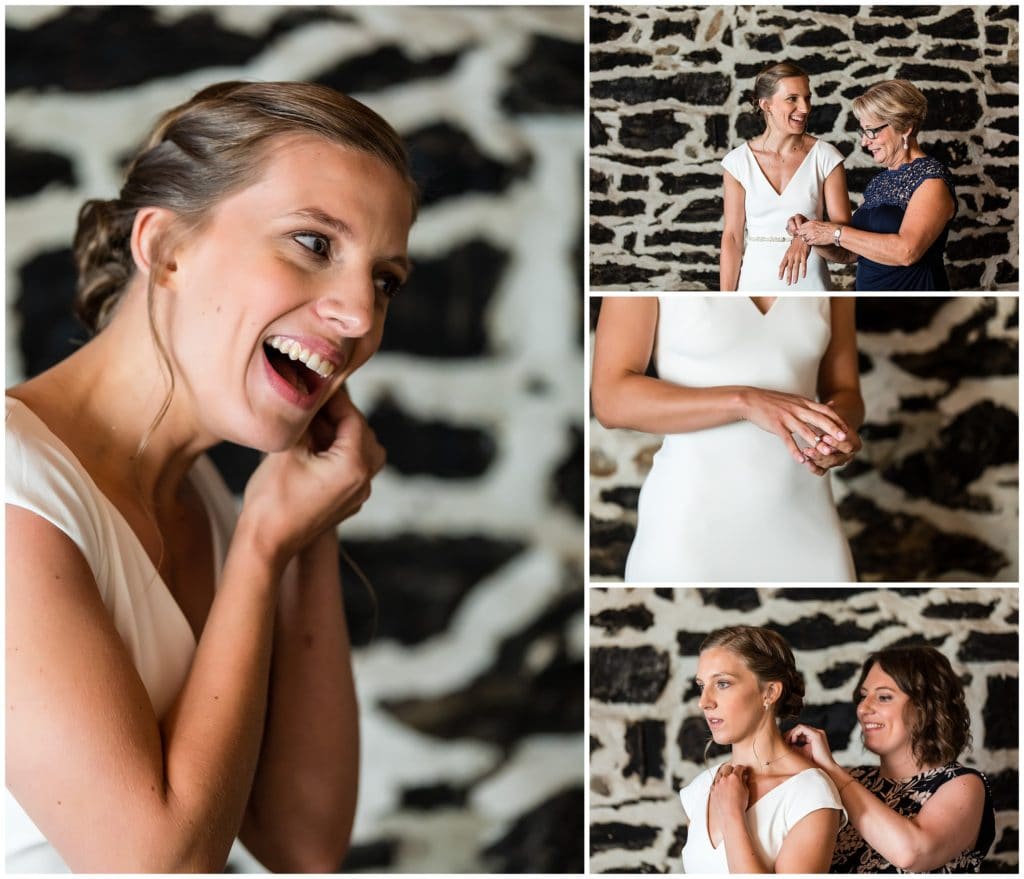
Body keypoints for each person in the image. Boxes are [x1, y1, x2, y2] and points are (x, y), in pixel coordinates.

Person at [6, 81, 415, 872]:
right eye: (315, 243)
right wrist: (262, 548)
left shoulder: (210, 502)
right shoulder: (14, 487)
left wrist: (307, 529)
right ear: (166, 249)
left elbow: (301, 844)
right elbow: (157, 863)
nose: (361, 315)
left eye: (385, 279)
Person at [591, 295, 862, 581]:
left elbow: (845, 392)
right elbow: (611, 400)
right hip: (691, 528)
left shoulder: (829, 281)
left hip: (811, 521)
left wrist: (837, 430)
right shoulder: (642, 287)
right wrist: (744, 402)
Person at [786, 646, 995, 872]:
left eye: (884, 697)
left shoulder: (962, 784)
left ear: (926, 707)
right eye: (863, 696)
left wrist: (830, 769)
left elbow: (912, 854)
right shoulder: (853, 778)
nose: (863, 708)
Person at [679, 626, 846, 873]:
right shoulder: (700, 789)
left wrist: (733, 815)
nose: (704, 702)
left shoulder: (809, 794)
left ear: (769, 692)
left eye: (722, 683)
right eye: (702, 686)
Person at [793, 80, 957, 290]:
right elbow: (850, 252)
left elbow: (906, 252)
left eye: (872, 131)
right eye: (864, 132)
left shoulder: (932, 179)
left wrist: (835, 233)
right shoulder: (880, 182)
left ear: (905, 128)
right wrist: (813, 233)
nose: (864, 142)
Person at [720, 61, 851, 291]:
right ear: (766, 105)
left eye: (807, 98)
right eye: (792, 99)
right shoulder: (737, 163)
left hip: (810, 281)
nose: (805, 108)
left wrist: (804, 236)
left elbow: (843, 232)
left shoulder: (826, 157)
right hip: (755, 281)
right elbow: (732, 237)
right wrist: (726, 299)